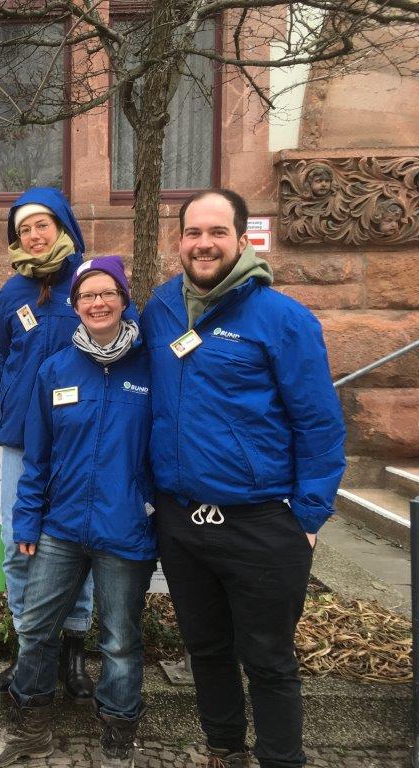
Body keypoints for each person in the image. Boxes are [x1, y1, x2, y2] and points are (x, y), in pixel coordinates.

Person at [141, 189, 346, 768]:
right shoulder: (161, 310)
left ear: (243, 239)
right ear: (179, 241)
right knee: (206, 649)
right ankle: (223, 750)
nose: (203, 244)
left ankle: (281, 759)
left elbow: (320, 426)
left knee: (269, 660)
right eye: (192, 233)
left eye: (216, 233)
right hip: (182, 521)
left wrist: (307, 516)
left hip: (261, 526)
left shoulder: (282, 319)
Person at [0, 257, 156, 768]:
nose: (97, 303)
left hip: (126, 529)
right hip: (61, 526)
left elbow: (164, 450)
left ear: (123, 299)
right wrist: (27, 518)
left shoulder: (150, 366)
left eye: (107, 294)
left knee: (120, 641)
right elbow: (39, 456)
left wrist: (158, 512)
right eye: (87, 296)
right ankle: (29, 731)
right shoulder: (56, 370)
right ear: (75, 306)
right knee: (35, 627)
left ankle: (118, 742)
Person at [0, 187, 95, 701]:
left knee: (77, 544)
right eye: (24, 229)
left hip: (79, 442)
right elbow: (1, 356)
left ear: (64, 226)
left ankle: (74, 649)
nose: (34, 235)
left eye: (43, 225)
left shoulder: (92, 283)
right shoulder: (11, 293)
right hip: (19, 439)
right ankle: (33, 647)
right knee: (17, 545)